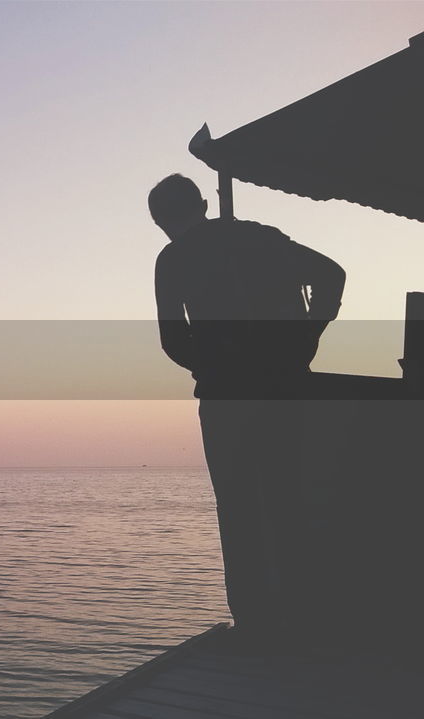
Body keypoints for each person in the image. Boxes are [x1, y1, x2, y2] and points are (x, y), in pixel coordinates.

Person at [148, 174, 345, 642]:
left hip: (226, 398)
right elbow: (332, 276)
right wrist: (306, 338)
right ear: (202, 204)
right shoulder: (261, 238)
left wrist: (215, 365)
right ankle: (306, 616)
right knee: (292, 499)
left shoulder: (173, 258)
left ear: (161, 221)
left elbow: (173, 340)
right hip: (285, 387)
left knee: (239, 510)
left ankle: (256, 624)